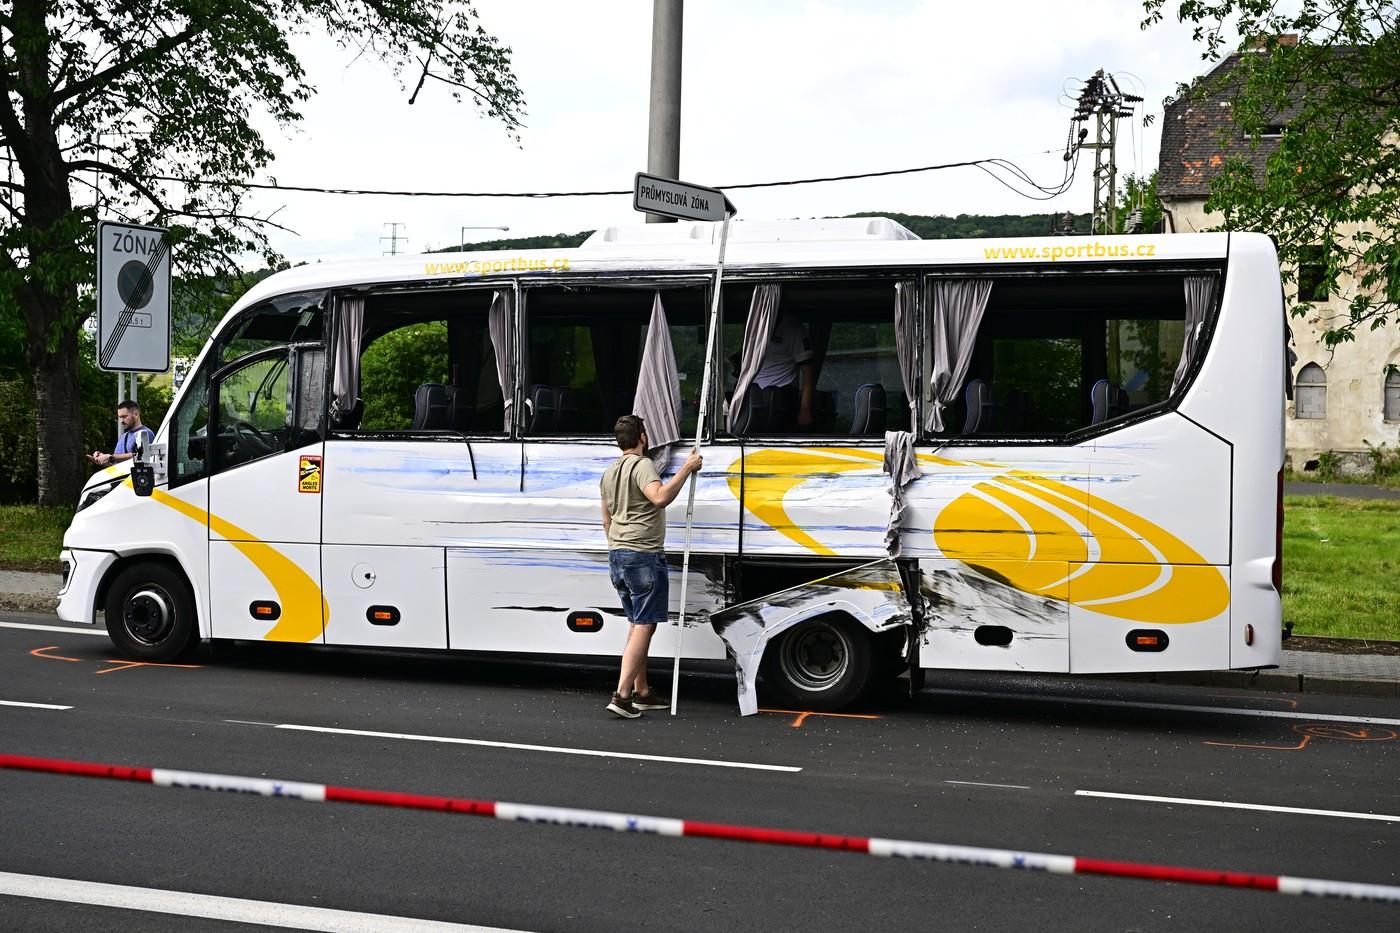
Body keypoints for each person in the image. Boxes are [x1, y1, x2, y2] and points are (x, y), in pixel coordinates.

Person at [599, 414, 703, 718]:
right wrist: (685, 468)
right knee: (645, 624)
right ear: (642, 438)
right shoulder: (643, 466)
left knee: (636, 624)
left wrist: (618, 545)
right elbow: (659, 498)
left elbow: (606, 519)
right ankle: (621, 695)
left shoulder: (608, 472)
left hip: (617, 553)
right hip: (642, 553)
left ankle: (642, 692)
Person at [754, 311, 816, 428]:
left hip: (780, 397)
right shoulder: (754, 325)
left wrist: (804, 409)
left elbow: (808, 373)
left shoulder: (794, 329)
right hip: (754, 395)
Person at [88, 400, 155, 467]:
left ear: (136, 414)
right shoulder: (123, 437)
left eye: (124, 416)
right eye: (120, 417)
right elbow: (118, 466)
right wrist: (103, 460)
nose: (121, 421)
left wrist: (110, 457)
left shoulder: (146, 434)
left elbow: (141, 455)